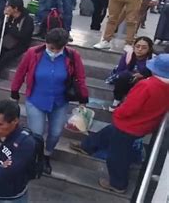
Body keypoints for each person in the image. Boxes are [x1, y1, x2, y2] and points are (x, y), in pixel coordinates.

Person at [70, 54, 169, 194]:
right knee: (109, 132)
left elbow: (130, 107)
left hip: (129, 125)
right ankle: (87, 146)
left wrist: (118, 113)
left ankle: (118, 184)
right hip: (144, 124)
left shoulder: (147, 85)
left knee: (117, 156)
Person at [11, 28, 89, 175]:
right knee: (37, 134)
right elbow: (21, 72)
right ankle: (36, 157)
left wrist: (83, 99)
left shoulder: (72, 55)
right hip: (36, 99)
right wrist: (14, 91)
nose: (54, 51)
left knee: (56, 132)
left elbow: (80, 77)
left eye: (58, 48)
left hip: (60, 101)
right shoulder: (33, 53)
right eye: (51, 48)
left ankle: (47, 154)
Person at [108, 36, 154, 111]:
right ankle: (117, 101)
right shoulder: (128, 55)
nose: (140, 49)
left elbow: (154, 77)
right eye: (137, 46)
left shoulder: (152, 59)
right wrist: (132, 75)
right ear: (134, 46)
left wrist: (142, 76)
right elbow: (119, 71)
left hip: (143, 83)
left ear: (149, 49)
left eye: (144, 47)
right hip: (126, 80)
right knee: (124, 76)